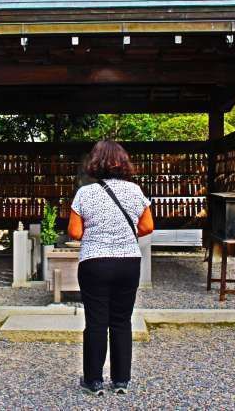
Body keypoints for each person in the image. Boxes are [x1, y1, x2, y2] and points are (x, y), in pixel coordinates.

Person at [67, 140, 154, 396]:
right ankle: (121, 380)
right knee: (121, 321)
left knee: (96, 322)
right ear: (123, 162)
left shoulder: (85, 193)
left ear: (95, 163)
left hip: (94, 262)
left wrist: (99, 233)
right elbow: (148, 227)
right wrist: (122, 234)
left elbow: (74, 232)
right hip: (128, 261)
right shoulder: (135, 191)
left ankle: (93, 380)